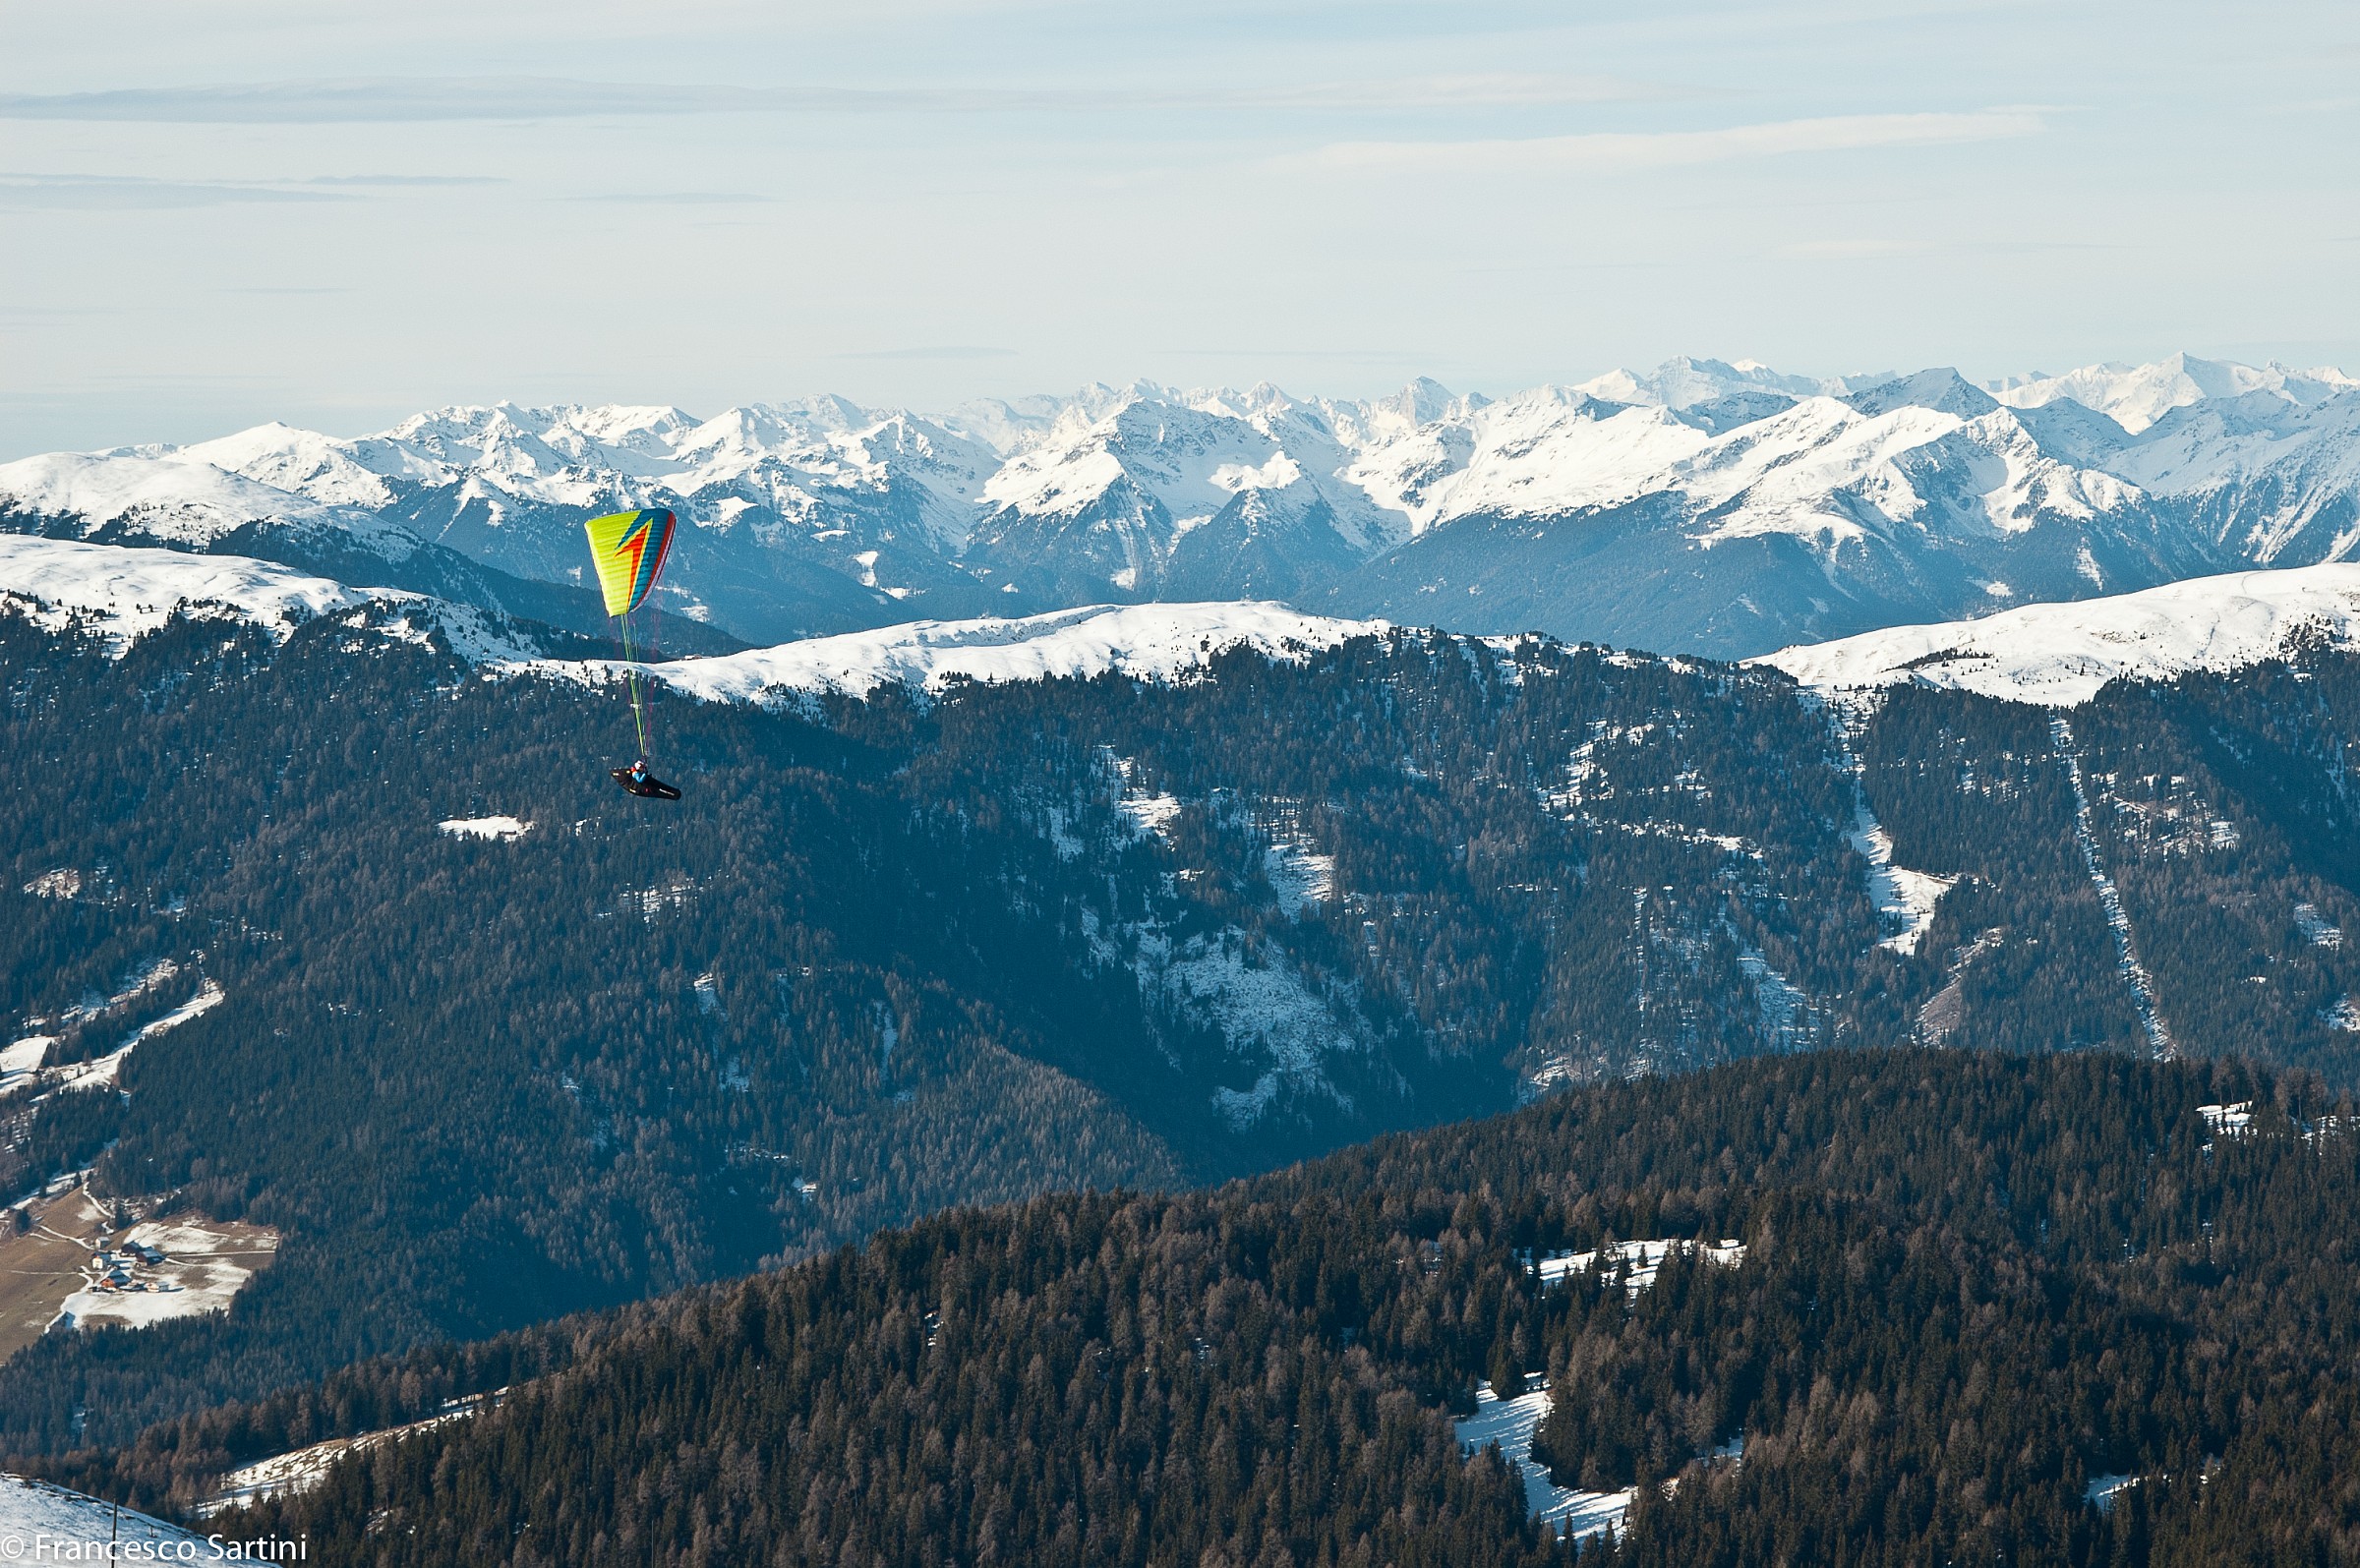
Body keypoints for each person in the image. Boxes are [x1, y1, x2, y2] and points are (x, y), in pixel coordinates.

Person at [611, 759, 681, 800]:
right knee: (659, 791)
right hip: (642, 787)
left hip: (644, 783)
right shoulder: (635, 773)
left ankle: (674, 793)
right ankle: (674, 795)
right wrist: (645, 774)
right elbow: (640, 780)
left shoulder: (635, 772)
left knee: (661, 787)